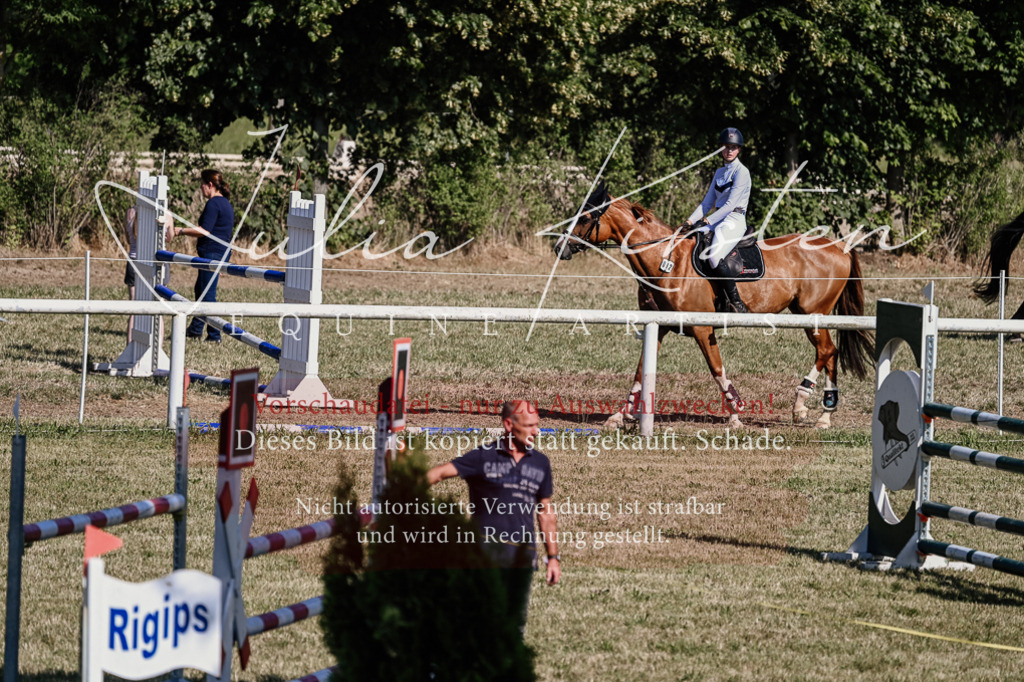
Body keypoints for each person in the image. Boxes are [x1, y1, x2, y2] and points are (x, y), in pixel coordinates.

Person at [426, 400, 560, 632]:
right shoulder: (483, 457)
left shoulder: (540, 463)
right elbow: (438, 474)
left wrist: (553, 557)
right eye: (529, 426)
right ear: (509, 424)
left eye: (536, 425)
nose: (536, 432)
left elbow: (545, 511)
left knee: (512, 627)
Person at [682, 127, 752, 313]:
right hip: (717, 219)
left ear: (739, 150)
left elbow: (730, 205)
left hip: (734, 219)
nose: (729, 150)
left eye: (733, 147)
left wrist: (706, 221)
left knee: (713, 256)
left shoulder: (742, 172)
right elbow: (706, 203)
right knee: (690, 241)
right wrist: (689, 222)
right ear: (720, 148)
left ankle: (736, 302)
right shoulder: (719, 172)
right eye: (726, 146)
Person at [166, 169, 235, 341]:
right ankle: (196, 329)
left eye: (202, 185)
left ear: (209, 185)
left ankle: (214, 334)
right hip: (221, 251)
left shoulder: (214, 203)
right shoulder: (226, 203)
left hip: (212, 252)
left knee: (207, 294)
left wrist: (179, 230)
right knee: (201, 290)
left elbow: (204, 231)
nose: (201, 189)